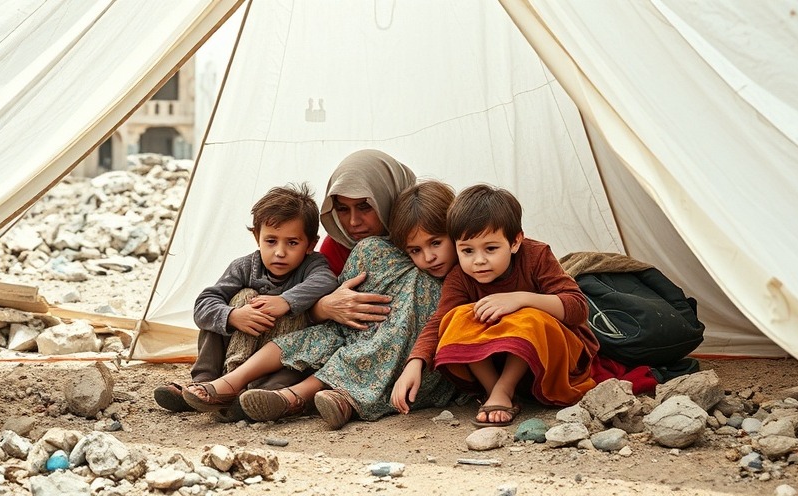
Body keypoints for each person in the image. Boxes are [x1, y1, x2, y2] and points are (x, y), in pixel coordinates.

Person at [182, 151, 456, 429]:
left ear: (387, 200)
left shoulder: (439, 254)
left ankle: (283, 394)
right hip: (340, 334)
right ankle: (227, 382)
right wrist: (324, 307)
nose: (353, 222)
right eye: (343, 209)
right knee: (254, 303)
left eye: (365, 207)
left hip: (402, 353)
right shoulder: (341, 247)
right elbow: (325, 315)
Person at [392, 184, 600, 428]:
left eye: (490, 249)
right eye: (467, 251)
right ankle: (495, 391)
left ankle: (503, 390)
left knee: (527, 316)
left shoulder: (536, 255)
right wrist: (415, 363)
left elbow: (578, 307)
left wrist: (521, 299)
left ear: (515, 241)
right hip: (502, 363)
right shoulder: (460, 276)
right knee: (457, 317)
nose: (479, 261)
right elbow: (439, 321)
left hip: (554, 361)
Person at [154, 183, 338, 414]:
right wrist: (233, 316)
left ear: (310, 244)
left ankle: (252, 398)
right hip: (233, 356)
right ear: (257, 237)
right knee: (232, 302)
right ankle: (204, 384)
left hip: (276, 365)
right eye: (271, 241)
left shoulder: (313, 266)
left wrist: (285, 301)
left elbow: (327, 281)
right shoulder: (244, 267)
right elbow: (203, 304)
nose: (280, 252)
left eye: (292, 243)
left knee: (303, 323)